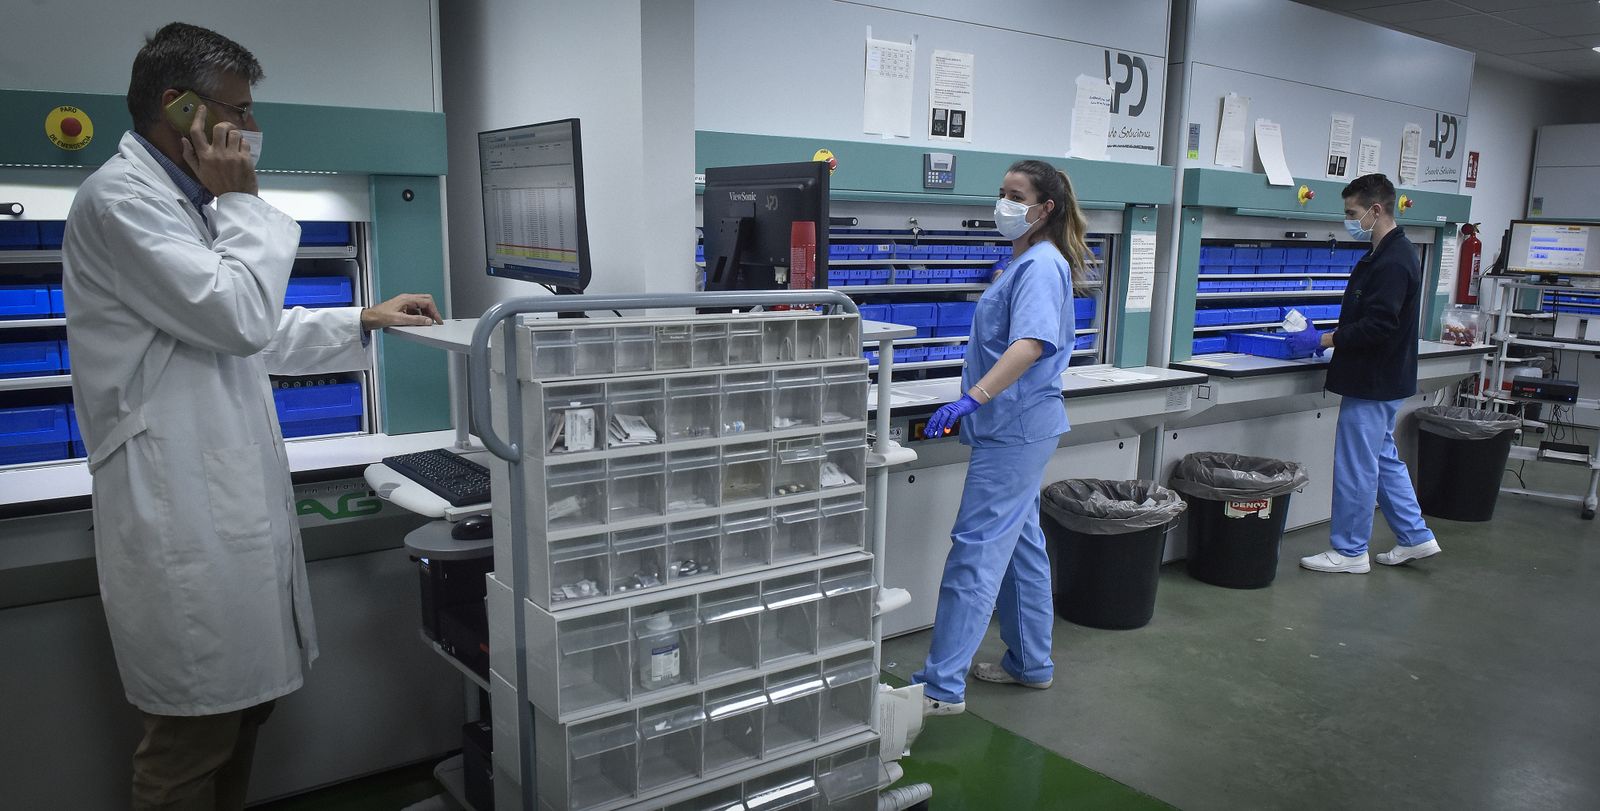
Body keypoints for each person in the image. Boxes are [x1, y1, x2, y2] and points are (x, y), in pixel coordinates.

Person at [62, 22, 442, 809]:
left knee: (240, 716)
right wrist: (243, 202)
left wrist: (361, 318)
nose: (254, 130)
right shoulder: (121, 203)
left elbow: (241, 330)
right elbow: (235, 313)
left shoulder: (182, 204)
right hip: (177, 518)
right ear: (181, 108)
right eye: (238, 110)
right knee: (188, 742)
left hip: (216, 501)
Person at [912, 160, 1094, 716]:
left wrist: (974, 398)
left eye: (1016, 196)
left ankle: (941, 687)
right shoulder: (1026, 261)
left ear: (1044, 210)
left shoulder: (1040, 265)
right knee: (1020, 546)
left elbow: (1030, 345)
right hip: (1020, 425)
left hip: (1012, 427)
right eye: (1001, 194)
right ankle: (1030, 663)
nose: (1004, 205)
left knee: (976, 551)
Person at [1287, 173, 1440, 574]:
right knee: (1383, 457)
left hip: (1373, 381)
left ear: (1376, 210)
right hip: (1385, 378)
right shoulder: (1389, 253)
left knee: (1357, 464)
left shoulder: (1392, 261)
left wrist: (1324, 340)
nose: (1348, 220)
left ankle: (1350, 550)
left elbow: (1379, 325)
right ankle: (1416, 536)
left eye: (1352, 213)